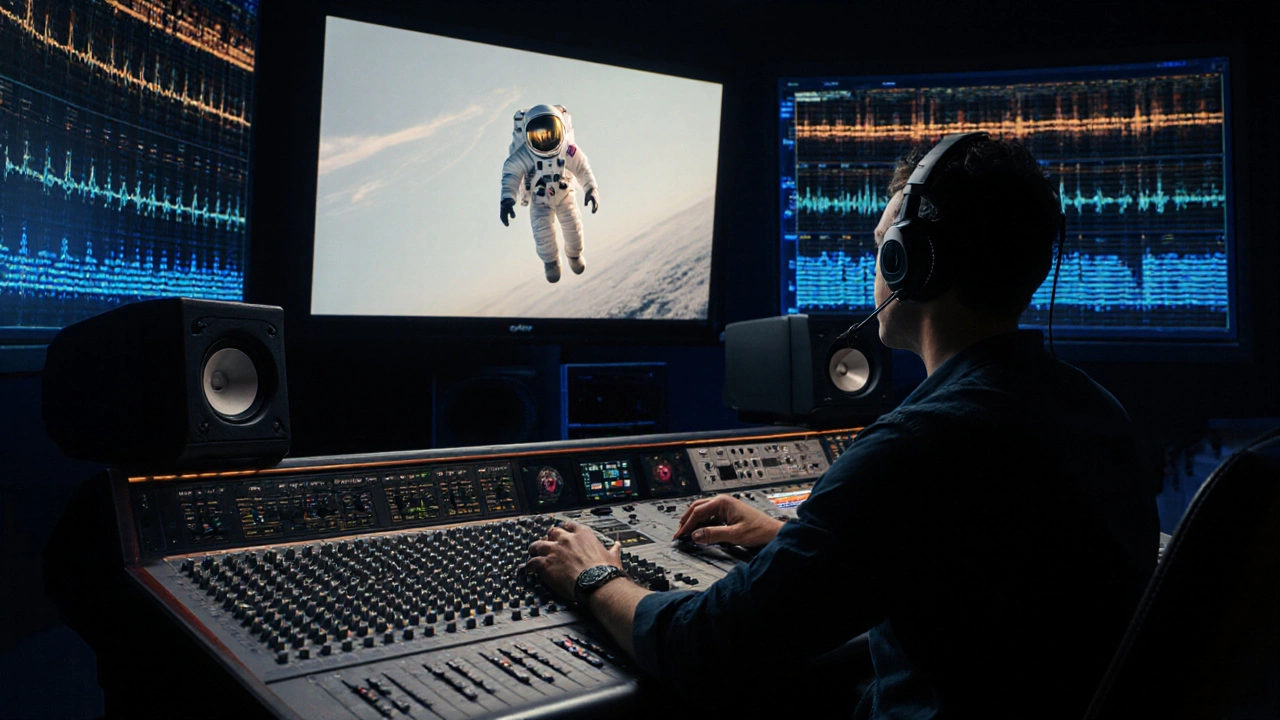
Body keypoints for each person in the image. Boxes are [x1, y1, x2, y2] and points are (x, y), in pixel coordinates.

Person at [526, 135, 1158, 718]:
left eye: (884, 242)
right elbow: (980, 574)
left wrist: (595, 575)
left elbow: (706, 648)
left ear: (914, 261)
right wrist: (789, 540)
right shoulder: (1096, 411)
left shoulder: (918, 447)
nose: (876, 263)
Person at [499, 104, 601, 283]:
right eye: (539, 136)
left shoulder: (568, 149)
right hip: (539, 200)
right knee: (542, 234)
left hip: (564, 194)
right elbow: (511, 174)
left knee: (574, 230)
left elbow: (582, 168)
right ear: (528, 136)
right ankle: (551, 262)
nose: (545, 140)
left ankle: (574, 255)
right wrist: (507, 199)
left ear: (560, 130)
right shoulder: (525, 154)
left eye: (549, 134)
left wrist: (591, 189)